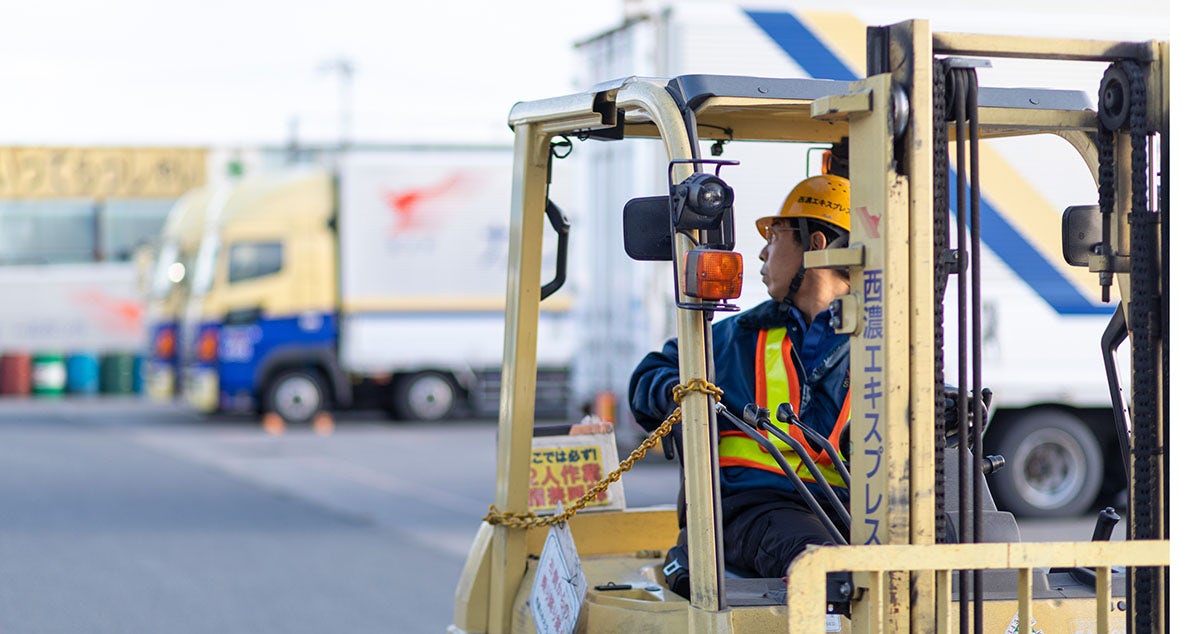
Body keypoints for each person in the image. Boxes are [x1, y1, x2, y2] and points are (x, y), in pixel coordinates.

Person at [628, 173, 854, 598]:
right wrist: (678, 392)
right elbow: (649, 376)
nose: (764, 250)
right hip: (749, 509)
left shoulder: (882, 345)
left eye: (775, 235)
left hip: (847, 511)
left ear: (816, 244)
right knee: (829, 568)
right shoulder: (735, 337)